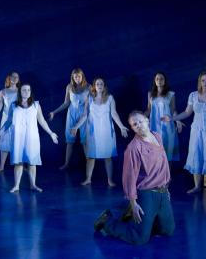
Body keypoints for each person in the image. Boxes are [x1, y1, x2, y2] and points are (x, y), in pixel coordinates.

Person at [93, 111, 174, 245]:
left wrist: (166, 187)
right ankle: (107, 221)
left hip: (163, 192)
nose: (139, 125)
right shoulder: (134, 148)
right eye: (134, 125)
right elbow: (129, 177)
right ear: (132, 128)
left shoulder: (157, 136)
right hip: (147, 193)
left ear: (147, 121)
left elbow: (163, 164)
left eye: (140, 121)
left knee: (167, 230)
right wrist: (133, 202)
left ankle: (141, 222)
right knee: (140, 238)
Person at [0, 83, 58, 193]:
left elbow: (42, 121)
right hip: (18, 138)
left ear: (31, 92)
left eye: (28, 90)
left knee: (32, 162)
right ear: (20, 92)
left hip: (32, 138)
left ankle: (33, 185)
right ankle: (16, 186)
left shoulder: (36, 105)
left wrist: (51, 133)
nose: (26, 92)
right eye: (24, 90)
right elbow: (8, 121)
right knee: (18, 162)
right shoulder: (13, 105)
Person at [71, 78, 128, 186]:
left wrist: (121, 126)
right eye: (97, 84)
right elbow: (85, 115)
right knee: (91, 156)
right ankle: (88, 179)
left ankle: (110, 180)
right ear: (94, 86)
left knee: (108, 157)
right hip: (93, 131)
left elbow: (114, 113)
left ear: (104, 86)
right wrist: (76, 127)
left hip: (106, 131)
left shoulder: (110, 98)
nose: (99, 85)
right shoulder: (90, 98)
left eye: (101, 83)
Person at [49, 68, 90, 170]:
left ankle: (90, 166)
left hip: (84, 114)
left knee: (84, 141)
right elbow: (66, 103)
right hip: (71, 114)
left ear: (82, 76)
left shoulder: (88, 87)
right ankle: (66, 164)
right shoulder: (69, 87)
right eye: (75, 77)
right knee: (69, 141)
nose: (77, 78)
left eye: (79, 76)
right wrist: (54, 112)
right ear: (72, 77)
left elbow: (90, 105)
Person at [146, 72, 182, 162]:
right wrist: (140, 118)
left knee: (167, 155)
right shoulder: (150, 94)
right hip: (154, 126)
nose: (159, 81)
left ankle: (167, 176)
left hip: (167, 127)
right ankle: (157, 176)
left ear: (165, 81)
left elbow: (173, 110)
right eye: (157, 79)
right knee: (155, 156)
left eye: (161, 79)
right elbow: (148, 110)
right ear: (154, 81)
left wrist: (178, 121)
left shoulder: (171, 94)